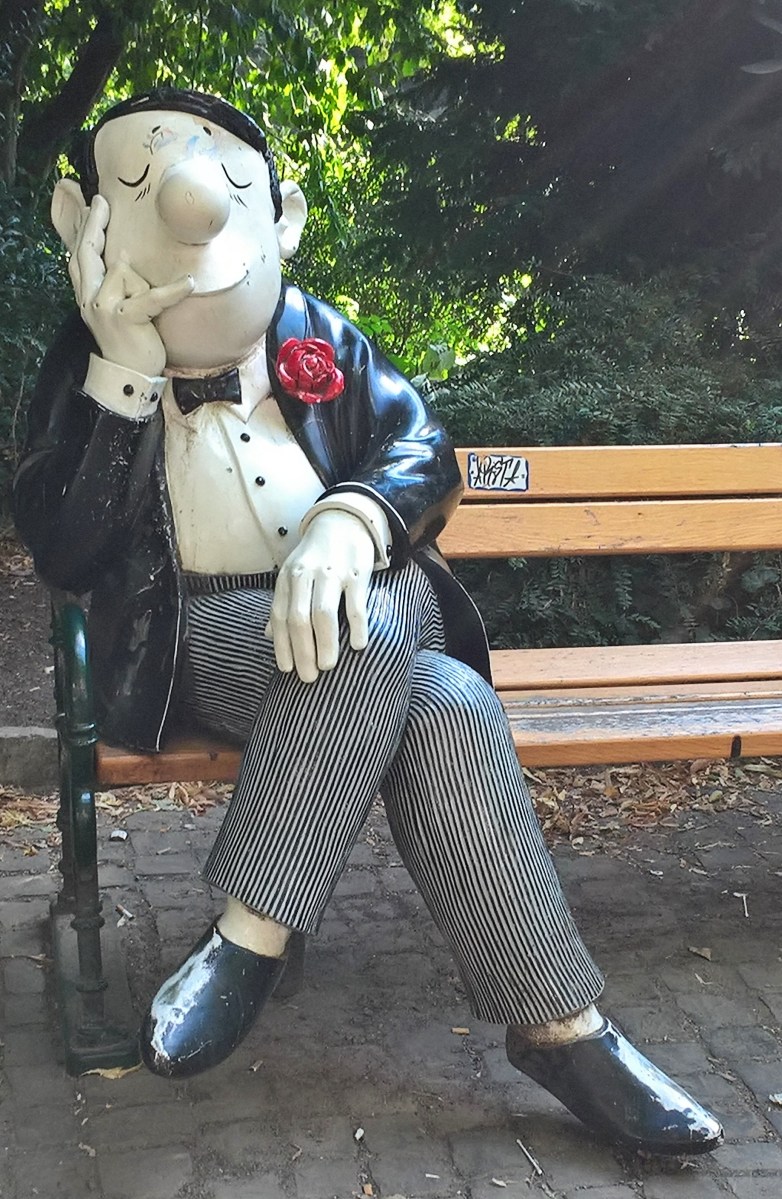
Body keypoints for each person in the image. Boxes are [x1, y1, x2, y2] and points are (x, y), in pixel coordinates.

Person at [13, 88, 722, 1156]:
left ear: (280, 217)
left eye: (227, 183)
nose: (193, 204)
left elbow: (421, 446)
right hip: (194, 637)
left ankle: (256, 936)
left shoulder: (321, 337)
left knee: (392, 648)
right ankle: (561, 1029)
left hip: (358, 618)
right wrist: (123, 375)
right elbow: (64, 546)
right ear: (86, 222)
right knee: (439, 689)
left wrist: (351, 520)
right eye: (141, 184)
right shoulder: (80, 367)